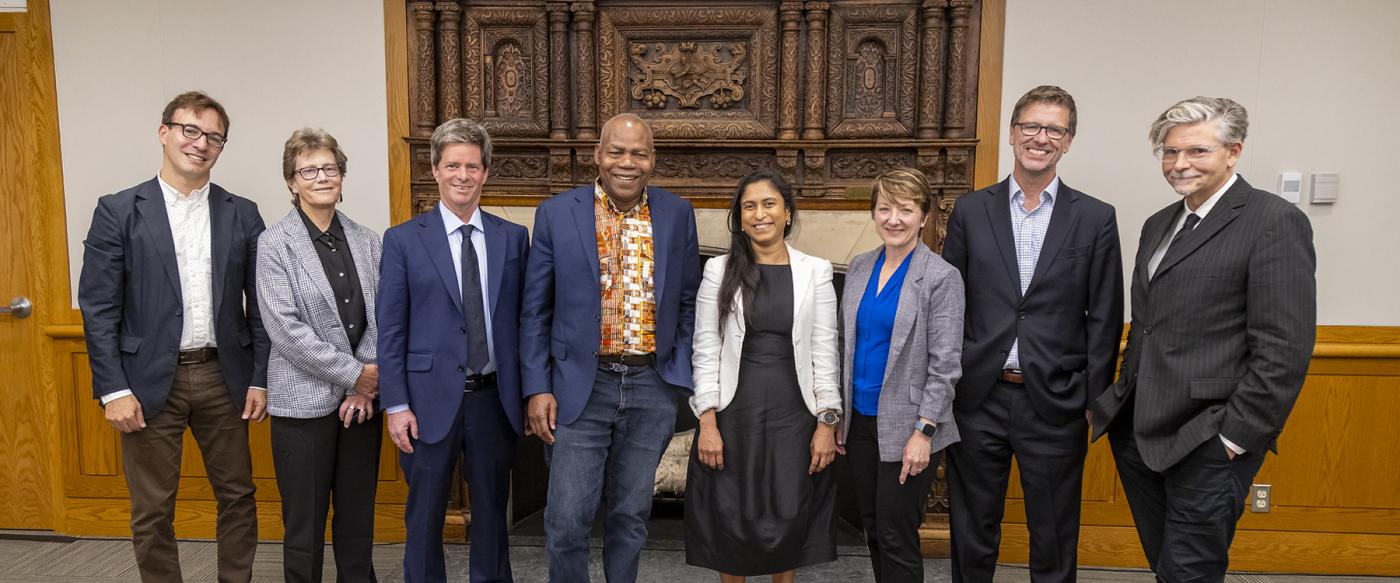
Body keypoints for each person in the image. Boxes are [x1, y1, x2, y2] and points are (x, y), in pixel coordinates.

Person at [1090, 96, 1316, 581]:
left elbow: (1284, 348)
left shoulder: (1273, 221)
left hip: (1209, 437)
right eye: (1170, 152)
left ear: (1233, 152)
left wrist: (1235, 438)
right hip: (1139, 434)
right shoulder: (1159, 224)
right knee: (1166, 565)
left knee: (1191, 572)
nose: (1179, 164)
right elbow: (1147, 324)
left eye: (1197, 151)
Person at [78, 90, 268, 582]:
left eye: (213, 137)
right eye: (190, 130)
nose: (200, 143)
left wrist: (261, 378)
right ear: (164, 133)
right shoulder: (118, 210)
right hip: (143, 383)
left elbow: (261, 307)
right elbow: (99, 309)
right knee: (152, 508)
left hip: (222, 376)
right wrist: (113, 390)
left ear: (221, 148)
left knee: (238, 496)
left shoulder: (242, 213)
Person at [940, 85, 1123, 583]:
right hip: (978, 397)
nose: (1041, 138)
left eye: (1054, 130)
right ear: (1013, 133)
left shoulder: (1095, 217)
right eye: (1031, 127)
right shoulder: (971, 211)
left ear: (1069, 141)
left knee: (1055, 534)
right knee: (973, 530)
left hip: (1057, 402)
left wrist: (1094, 397)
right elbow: (947, 306)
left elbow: (1105, 316)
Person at [520, 113, 701, 582]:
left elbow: (686, 302)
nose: (628, 162)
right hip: (579, 389)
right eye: (617, 152)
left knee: (629, 516)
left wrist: (675, 377)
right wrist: (537, 387)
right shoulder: (556, 214)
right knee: (566, 520)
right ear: (598, 156)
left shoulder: (677, 214)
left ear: (652, 160)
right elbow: (536, 311)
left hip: (650, 387)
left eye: (638, 153)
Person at [377, 118, 530, 583]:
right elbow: (391, 330)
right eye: (452, 166)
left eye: (472, 166)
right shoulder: (403, 240)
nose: (462, 175)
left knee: (491, 516)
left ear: (485, 172)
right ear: (435, 170)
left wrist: (528, 394)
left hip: (493, 399)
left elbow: (524, 322)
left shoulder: (513, 239)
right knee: (423, 516)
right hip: (424, 402)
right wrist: (396, 404)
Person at [685, 169, 841, 581]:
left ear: (787, 212)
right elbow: (705, 349)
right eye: (749, 206)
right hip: (735, 415)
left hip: (795, 414)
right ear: (739, 216)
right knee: (730, 513)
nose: (759, 214)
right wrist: (707, 420)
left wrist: (827, 420)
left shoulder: (817, 271)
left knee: (788, 512)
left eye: (769, 204)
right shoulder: (719, 271)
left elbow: (825, 350)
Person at [257, 128, 383, 583]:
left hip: (362, 405)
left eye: (330, 168)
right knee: (304, 525)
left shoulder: (368, 241)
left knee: (356, 520)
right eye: (309, 170)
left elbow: (384, 314)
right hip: (302, 406)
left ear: (342, 176)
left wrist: (365, 381)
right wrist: (355, 375)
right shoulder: (274, 244)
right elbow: (286, 330)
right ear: (292, 182)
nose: (322, 177)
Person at [839, 167, 964, 582]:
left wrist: (924, 432)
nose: (894, 219)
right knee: (873, 528)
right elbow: (847, 345)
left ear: (924, 217)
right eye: (884, 208)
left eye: (905, 210)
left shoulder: (942, 277)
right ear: (874, 213)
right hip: (860, 422)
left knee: (897, 534)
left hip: (910, 428)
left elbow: (945, 365)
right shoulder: (858, 267)